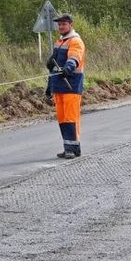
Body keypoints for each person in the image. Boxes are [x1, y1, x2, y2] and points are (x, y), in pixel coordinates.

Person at [45, 13, 86, 159]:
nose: (61, 26)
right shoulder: (59, 42)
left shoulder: (75, 41)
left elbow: (74, 58)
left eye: (64, 24)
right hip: (58, 86)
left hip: (71, 85)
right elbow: (53, 68)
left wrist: (68, 68)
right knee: (62, 118)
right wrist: (49, 87)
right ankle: (69, 147)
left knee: (70, 118)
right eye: (59, 24)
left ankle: (72, 148)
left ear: (71, 25)